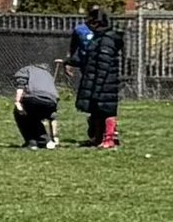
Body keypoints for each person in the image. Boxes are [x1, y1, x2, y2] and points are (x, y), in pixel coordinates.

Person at [70, 9, 122, 149]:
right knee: (97, 111)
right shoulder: (98, 38)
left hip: (105, 82)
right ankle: (97, 138)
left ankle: (109, 139)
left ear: (96, 23)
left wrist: (98, 86)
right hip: (96, 79)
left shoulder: (107, 40)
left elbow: (103, 64)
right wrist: (70, 62)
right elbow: (90, 59)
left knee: (107, 110)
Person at [12, 64, 60, 150]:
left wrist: (17, 102)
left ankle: (32, 142)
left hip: (34, 98)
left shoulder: (25, 70)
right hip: (51, 101)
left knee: (22, 115)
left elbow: (20, 87)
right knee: (34, 118)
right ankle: (46, 141)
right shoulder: (47, 74)